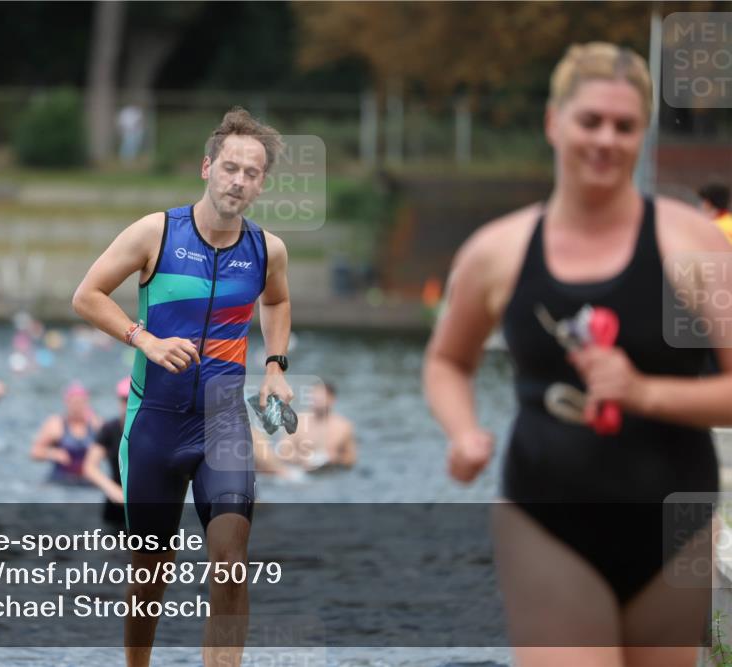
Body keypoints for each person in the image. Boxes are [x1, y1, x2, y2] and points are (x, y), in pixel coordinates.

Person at [423, 43, 732, 666]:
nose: (605, 140)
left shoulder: (690, 243)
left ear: (642, 136)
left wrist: (644, 392)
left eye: (624, 127)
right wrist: (463, 433)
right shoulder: (499, 251)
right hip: (546, 518)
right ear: (553, 123)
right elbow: (447, 362)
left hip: (674, 521)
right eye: (589, 121)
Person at [72, 106, 293, 667]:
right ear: (207, 167)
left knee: (230, 559)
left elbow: (277, 300)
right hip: (154, 426)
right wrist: (143, 339)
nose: (238, 180)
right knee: (150, 580)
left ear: (262, 183)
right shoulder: (157, 232)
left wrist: (275, 366)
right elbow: (87, 295)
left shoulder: (267, 250)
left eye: (251, 173)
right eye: (230, 167)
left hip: (223, 421)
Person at [275, 380, 356, 471]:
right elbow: (283, 453)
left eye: (321, 397)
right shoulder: (297, 422)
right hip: (302, 472)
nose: (316, 400)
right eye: (314, 396)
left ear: (332, 399)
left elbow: (351, 459)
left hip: (331, 472)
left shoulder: (343, 426)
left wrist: (336, 459)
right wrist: (301, 459)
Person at [82, 377, 130, 527]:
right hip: (116, 502)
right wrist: (113, 490)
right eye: (124, 399)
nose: (128, 403)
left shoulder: (153, 430)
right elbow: (89, 467)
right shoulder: (110, 429)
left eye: (132, 399)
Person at [31, 381, 100, 484]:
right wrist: (53, 454)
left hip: (86, 481)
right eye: (74, 403)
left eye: (80, 403)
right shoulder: (56, 424)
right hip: (61, 480)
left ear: (86, 403)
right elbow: (35, 452)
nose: (77, 407)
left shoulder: (96, 425)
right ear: (67, 402)